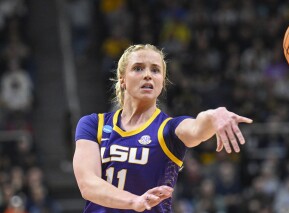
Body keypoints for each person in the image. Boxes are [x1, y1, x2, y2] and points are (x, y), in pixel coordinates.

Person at [73, 44, 253, 212]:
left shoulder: (169, 128)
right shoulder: (93, 125)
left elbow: (196, 128)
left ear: (162, 83)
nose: (148, 75)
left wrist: (213, 116)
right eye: (138, 68)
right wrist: (134, 201)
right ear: (122, 80)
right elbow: (88, 184)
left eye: (155, 70)